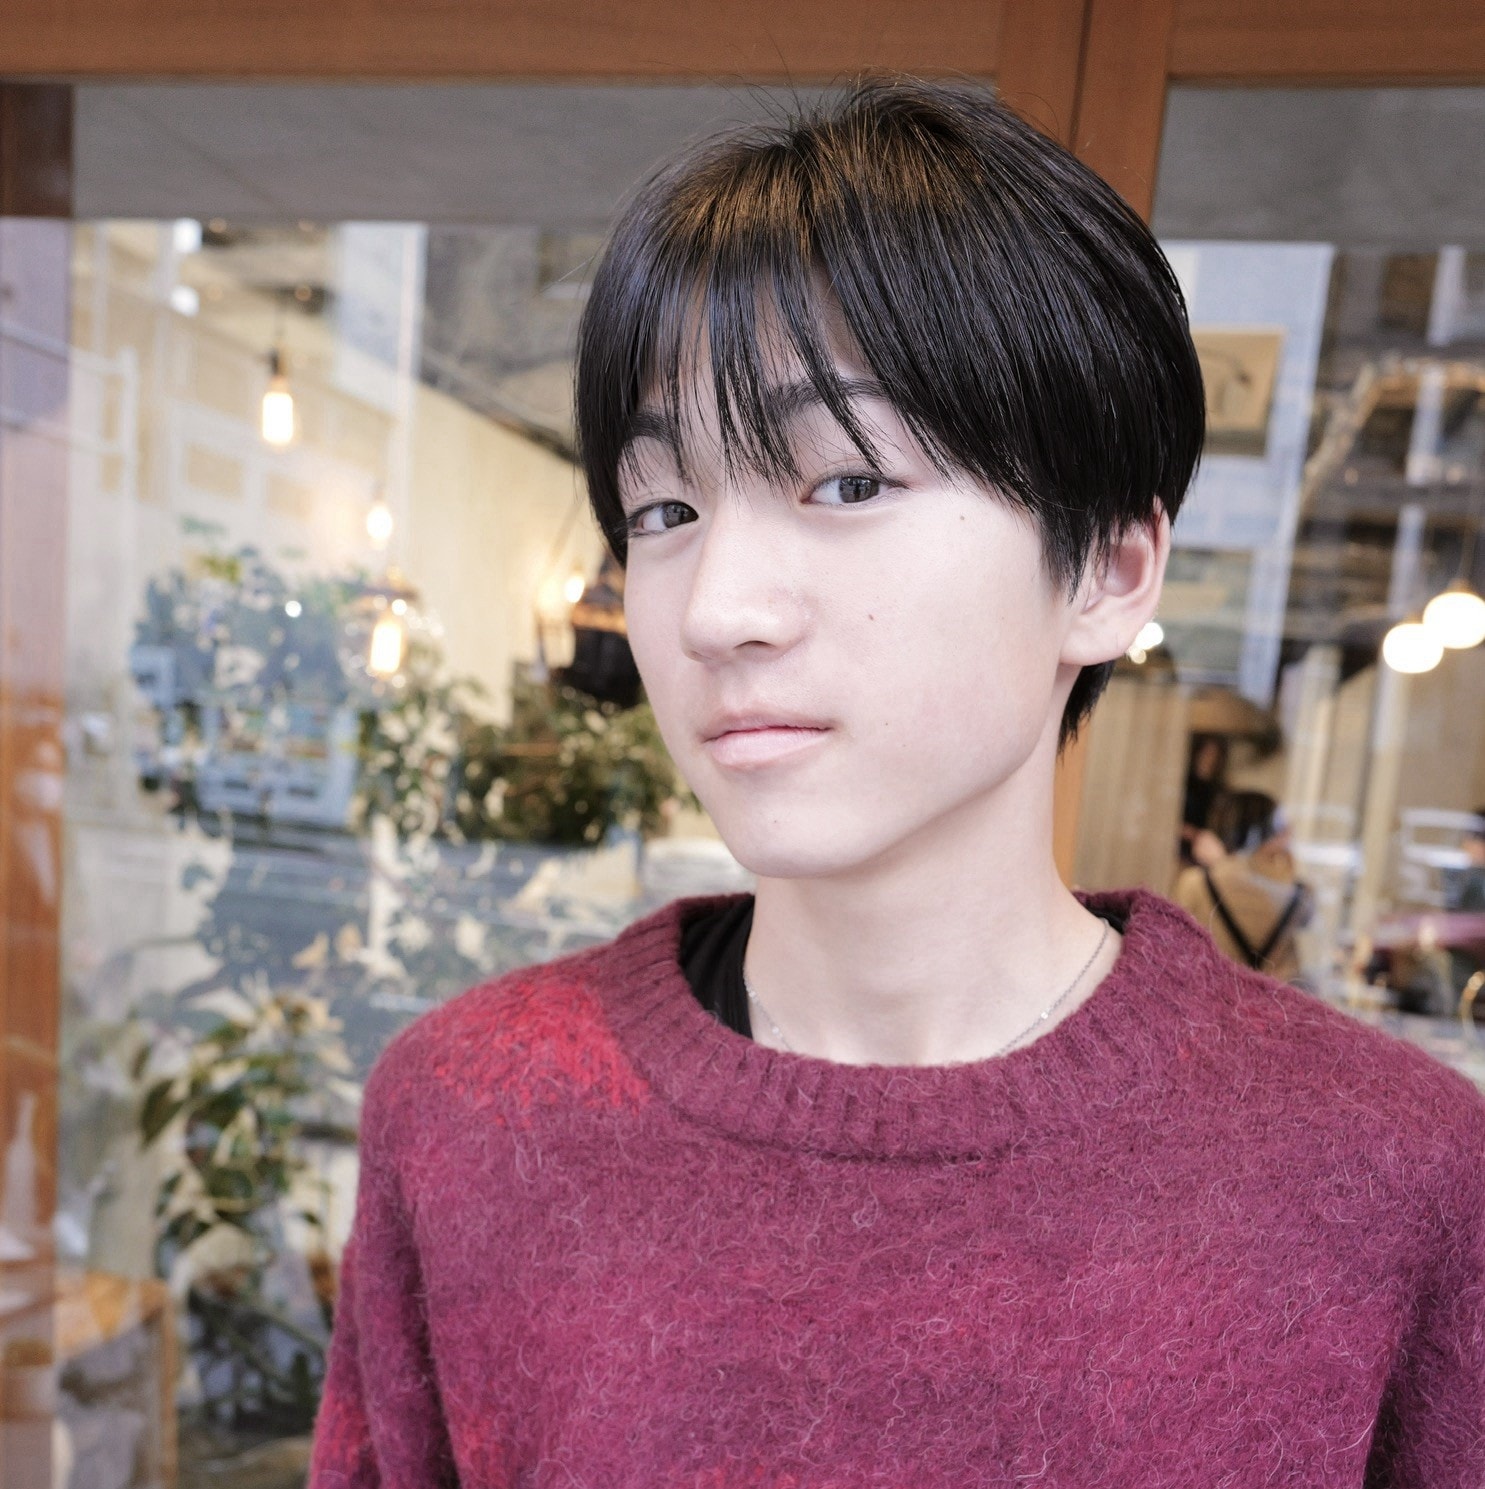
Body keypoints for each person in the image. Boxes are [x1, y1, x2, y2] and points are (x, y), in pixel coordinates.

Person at [309, 79, 1485, 1486]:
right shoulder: (471, 1114)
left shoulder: (1386, 1175)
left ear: (1110, 570)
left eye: (848, 483)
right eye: (664, 508)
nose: (716, 610)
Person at [1172, 790, 1314, 984]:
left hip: (1208, 992)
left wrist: (1221, 864)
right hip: (1269, 999)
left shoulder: (1196, 882)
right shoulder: (1298, 895)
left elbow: (1174, 947)